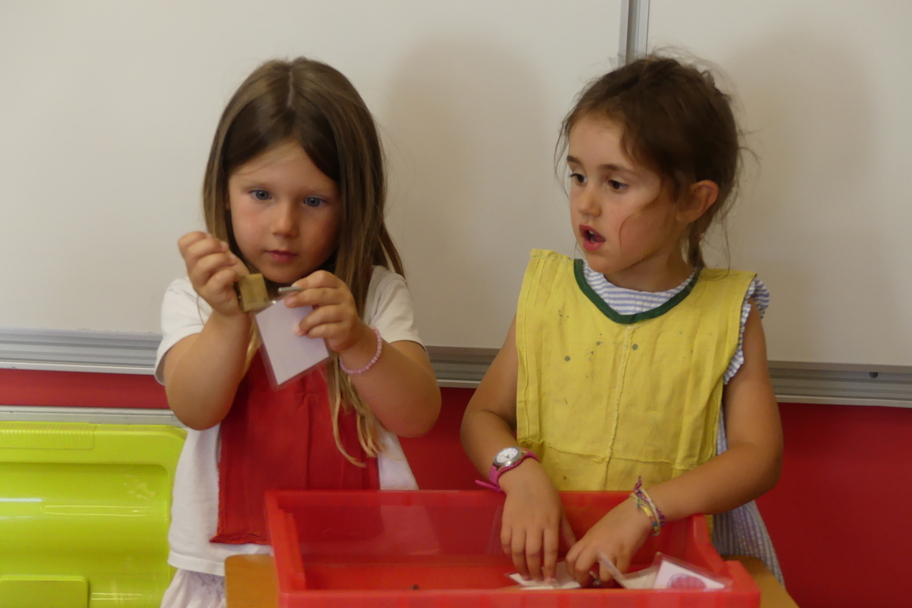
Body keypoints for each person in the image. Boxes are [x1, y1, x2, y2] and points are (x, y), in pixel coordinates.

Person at [461, 55, 783, 588]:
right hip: (552, 567)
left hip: (670, 571)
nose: (586, 203)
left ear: (692, 201)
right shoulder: (547, 293)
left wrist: (644, 509)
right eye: (578, 176)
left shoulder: (730, 311)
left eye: (615, 184)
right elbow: (481, 416)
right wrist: (518, 472)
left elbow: (758, 458)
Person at [155, 57, 441, 607]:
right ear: (224, 189)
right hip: (227, 569)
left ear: (350, 204)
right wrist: (228, 318)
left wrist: (358, 340)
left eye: (313, 201)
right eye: (261, 194)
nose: (284, 225)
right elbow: (195, 408)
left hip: (361, 569)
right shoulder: (193, 296)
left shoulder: (374, 294)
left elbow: (418, 414)